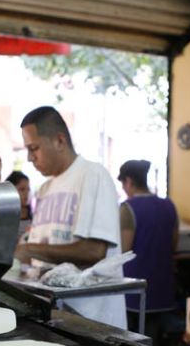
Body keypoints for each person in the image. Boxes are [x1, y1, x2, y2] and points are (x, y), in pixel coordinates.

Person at [14, 106, 126, 329]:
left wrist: (28, 250)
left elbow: (93, 251)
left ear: (59, 140)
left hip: (95, 321)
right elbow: (42, 257)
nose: (29, 158)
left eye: (34, 148)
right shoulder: (44, 190)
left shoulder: (93, 175)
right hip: (58, 314)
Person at [117, 160, 181, 341]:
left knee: (134, 343)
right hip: (162, 288)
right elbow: (174, 245)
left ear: (128, 181)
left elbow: (124, 251)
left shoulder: (128, 208)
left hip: (135, 290)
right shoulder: (169, 205)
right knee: (155, 342)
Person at [6, 170, 33, 241]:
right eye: (22, 189)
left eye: (28, 189)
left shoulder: (34, 217)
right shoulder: (5, 219)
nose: (26, 193)